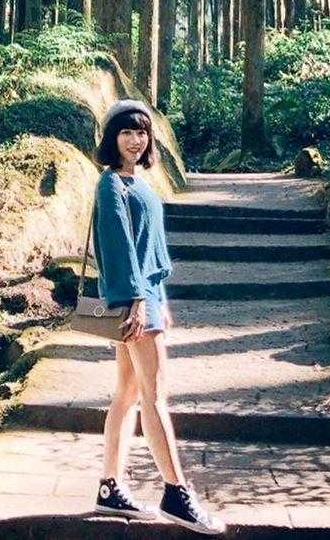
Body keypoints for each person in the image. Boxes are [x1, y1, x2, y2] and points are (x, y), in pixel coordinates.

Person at [90, 99, 225, 535]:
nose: (135, 140)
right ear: (112, 138)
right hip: (132, 300)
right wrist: (135, 300)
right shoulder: (111, 184)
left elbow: (152, 249)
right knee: (154, 396)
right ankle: (176, 493)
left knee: (128, 393)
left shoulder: (141, 183)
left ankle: (110, 487)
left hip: (146, 296)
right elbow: (117, 246)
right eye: (126, 132)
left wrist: (159, 297)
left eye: (142, 132)